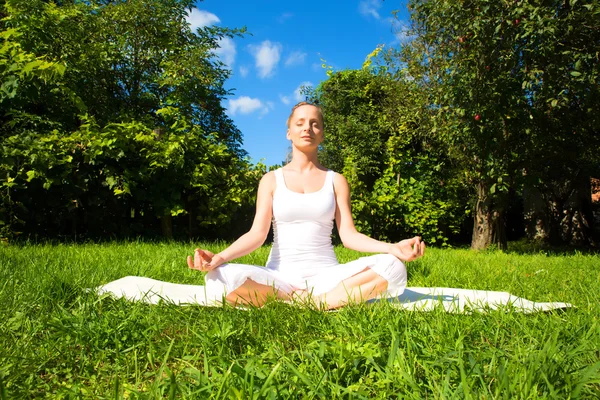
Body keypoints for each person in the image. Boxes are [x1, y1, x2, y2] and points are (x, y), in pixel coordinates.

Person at [187, 102, 425, 309]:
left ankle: (316, 301)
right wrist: (219, 257)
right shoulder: (271, 180)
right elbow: (257, 235)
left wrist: (392, 247)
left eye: (314, 124)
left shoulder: (336, 180)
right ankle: (298, 298)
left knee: (394, 267)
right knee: (217, 278)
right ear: (289, 132)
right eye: (300, 123)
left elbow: (350, 236)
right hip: (279, 277)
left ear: (321, 134)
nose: (307, 128)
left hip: (328, 276)